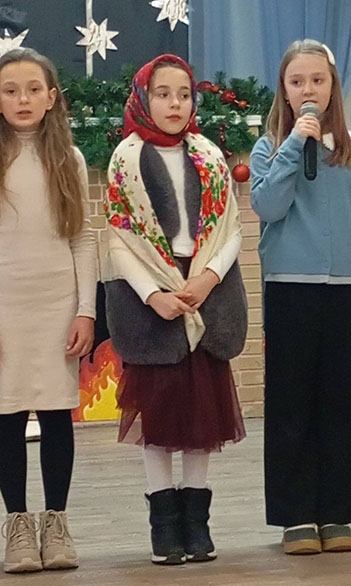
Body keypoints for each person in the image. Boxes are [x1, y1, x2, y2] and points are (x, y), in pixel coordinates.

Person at [250, 39, 351, 555]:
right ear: (284, 89)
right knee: (291, 405)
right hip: (290, 292)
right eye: (297, 81)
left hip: (345, 293)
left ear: (333, 85)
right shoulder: (270, 147)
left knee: (340, 407)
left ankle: (336, 513)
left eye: (317, 80)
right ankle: (296, 516)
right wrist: (295, 144)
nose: (308, 89)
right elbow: (268, 206)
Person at [103, 54, 246, 565]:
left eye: (184, 94)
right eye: (163, 94)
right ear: (144, 98)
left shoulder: (209, 156)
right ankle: (163, 525)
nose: (174, 104)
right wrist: (153, 293)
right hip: (153, 297)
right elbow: (119, 237)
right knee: (159, 418)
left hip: (204, 289)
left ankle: (196, 523)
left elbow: (230, 228)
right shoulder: (126, 159)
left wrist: (208, 277)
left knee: (204, 418)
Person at [0, 48, 97, 573]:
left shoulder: (69, 159)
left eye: (33, 89)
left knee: (57, 413)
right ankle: (17, 524)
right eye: (11, 90)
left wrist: (85, 311)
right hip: (5, 306)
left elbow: (82, 238)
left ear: (52, 97)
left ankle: (56, 522)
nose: (23, 99)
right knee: (7, 413)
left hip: (57, 303)